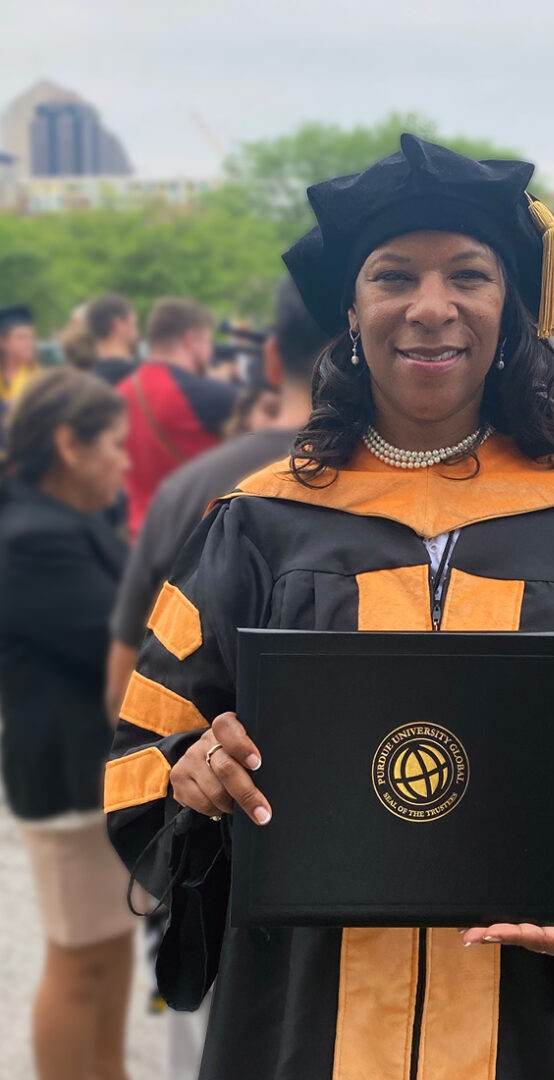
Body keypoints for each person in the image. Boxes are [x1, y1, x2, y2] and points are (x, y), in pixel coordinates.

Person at [105, 135, 554, 1080]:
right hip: (301, 1022)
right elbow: (143, 762)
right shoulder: (262, 524)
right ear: (352, 311)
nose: (432, 307)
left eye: (470, 276)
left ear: (513, 308)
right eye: (393, 275)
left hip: (518, 1018)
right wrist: (194, 775)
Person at [102, 276, 328, 1080]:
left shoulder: (195, 490)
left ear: (270, 357)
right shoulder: (456, 509)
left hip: (217, 869)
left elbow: (127, 687)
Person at [0, 369, 135, 1080]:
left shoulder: (66, 522)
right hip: (67, 776)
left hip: (95, 774)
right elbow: (117, 640)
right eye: (114, 443)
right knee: (79, 963)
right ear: (67, 445)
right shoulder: (31, 539)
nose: (126, 460)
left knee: (109, 956)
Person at [116, 297, 236, 542]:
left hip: (139, 540)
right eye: (207, 341)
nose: (210, 351)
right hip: (195, 539)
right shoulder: (208, 394)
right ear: (191, 340)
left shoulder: (120, 392)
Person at [85, 293, 140, 386]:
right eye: (134, 325)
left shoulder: (87, 384)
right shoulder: (138, 379)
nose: (137, 333)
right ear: (117, 325)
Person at [0, 304, 39, 403]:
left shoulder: (38, 377)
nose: (29, 343)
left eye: (31, 337)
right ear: (3, 342)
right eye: (21, 337)